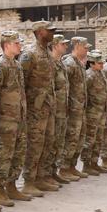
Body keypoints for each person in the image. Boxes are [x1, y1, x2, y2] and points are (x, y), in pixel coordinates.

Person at [0, 31, 32, 206]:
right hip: (6, 120)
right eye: (16, 43)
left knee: (18, 153)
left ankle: (12, 186)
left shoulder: (16, 64)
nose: (19, 46)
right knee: (3, 156)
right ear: (7, 45)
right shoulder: (0, 66)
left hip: (19, 118)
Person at [19, 21, 58, 196]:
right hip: (35, 108)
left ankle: (41, 177)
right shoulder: (29, 53)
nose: (52, 34)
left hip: (48, 105)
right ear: (40, 32)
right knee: (34, 144)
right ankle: (29, 181)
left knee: (47, 142)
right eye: (49, 31)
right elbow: (22, 82)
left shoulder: (47, 52)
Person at [61, 37, 90, 178]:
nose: (87, 50)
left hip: (80, 108)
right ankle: (64, 168)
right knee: (71, 139)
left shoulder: (79, 64)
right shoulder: (69, 64)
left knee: (79, 139)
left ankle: (72, 166)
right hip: (72, 109)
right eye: (85, 47)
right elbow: (64, 87)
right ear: (77, 46)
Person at [46, 34, 72, 185]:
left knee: (58, 142)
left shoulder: (61, 63)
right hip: (53, 110)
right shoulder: (50, 63)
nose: (65, 46)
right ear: (55, 45)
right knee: (51, 142)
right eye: (63, 44)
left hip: (62, 109)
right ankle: (46, 174)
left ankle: (53, 171)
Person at [81, 51, 107, 175]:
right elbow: (84, 94)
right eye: (99, 63)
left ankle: (94, 162)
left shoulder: (101, 74)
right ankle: (86, 164)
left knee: (98, 138)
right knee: (90, 139)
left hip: (101, 111)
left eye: (103, 62)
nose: (102, 65)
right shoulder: (89, 76)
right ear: (91, 64)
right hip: (92, 112)